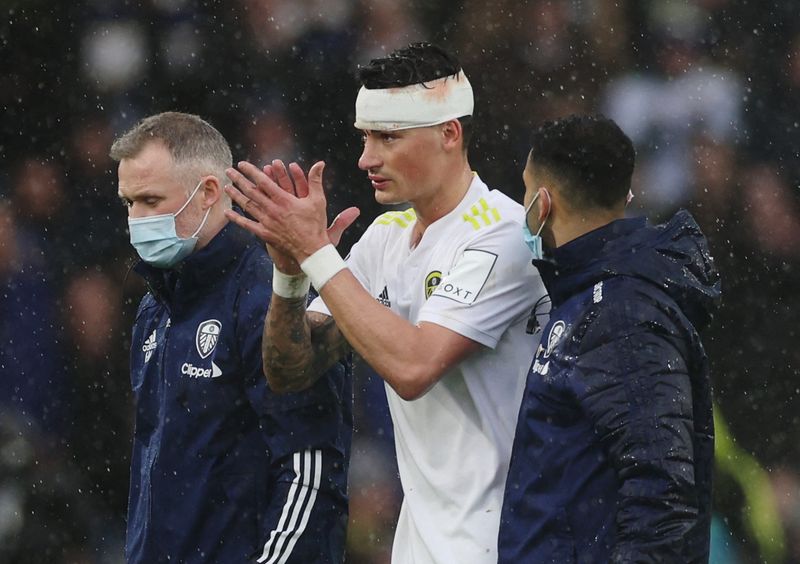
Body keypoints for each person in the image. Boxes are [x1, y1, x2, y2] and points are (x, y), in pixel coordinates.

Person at [224, 43, 547, 563]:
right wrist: (290, 274)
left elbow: (414, 367)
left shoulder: (504, 236)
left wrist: (316, 251)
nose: (366, 158)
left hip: (501, 547)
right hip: (419, 548)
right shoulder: (386, 236)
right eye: (366, 137)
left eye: (388, 138)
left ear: (450, 133)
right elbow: (291, 370)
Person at [110, 111, 352, 563]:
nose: (137, 220)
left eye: (150, 200)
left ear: (207, 193)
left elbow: (310, 467)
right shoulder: (154, 306)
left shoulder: (272, 298)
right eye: (128, 203)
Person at [498, 114, 721, 562]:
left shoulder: (620, 310)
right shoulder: (589, 296)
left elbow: (662, 494)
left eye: (524, 189)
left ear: (542, 203)